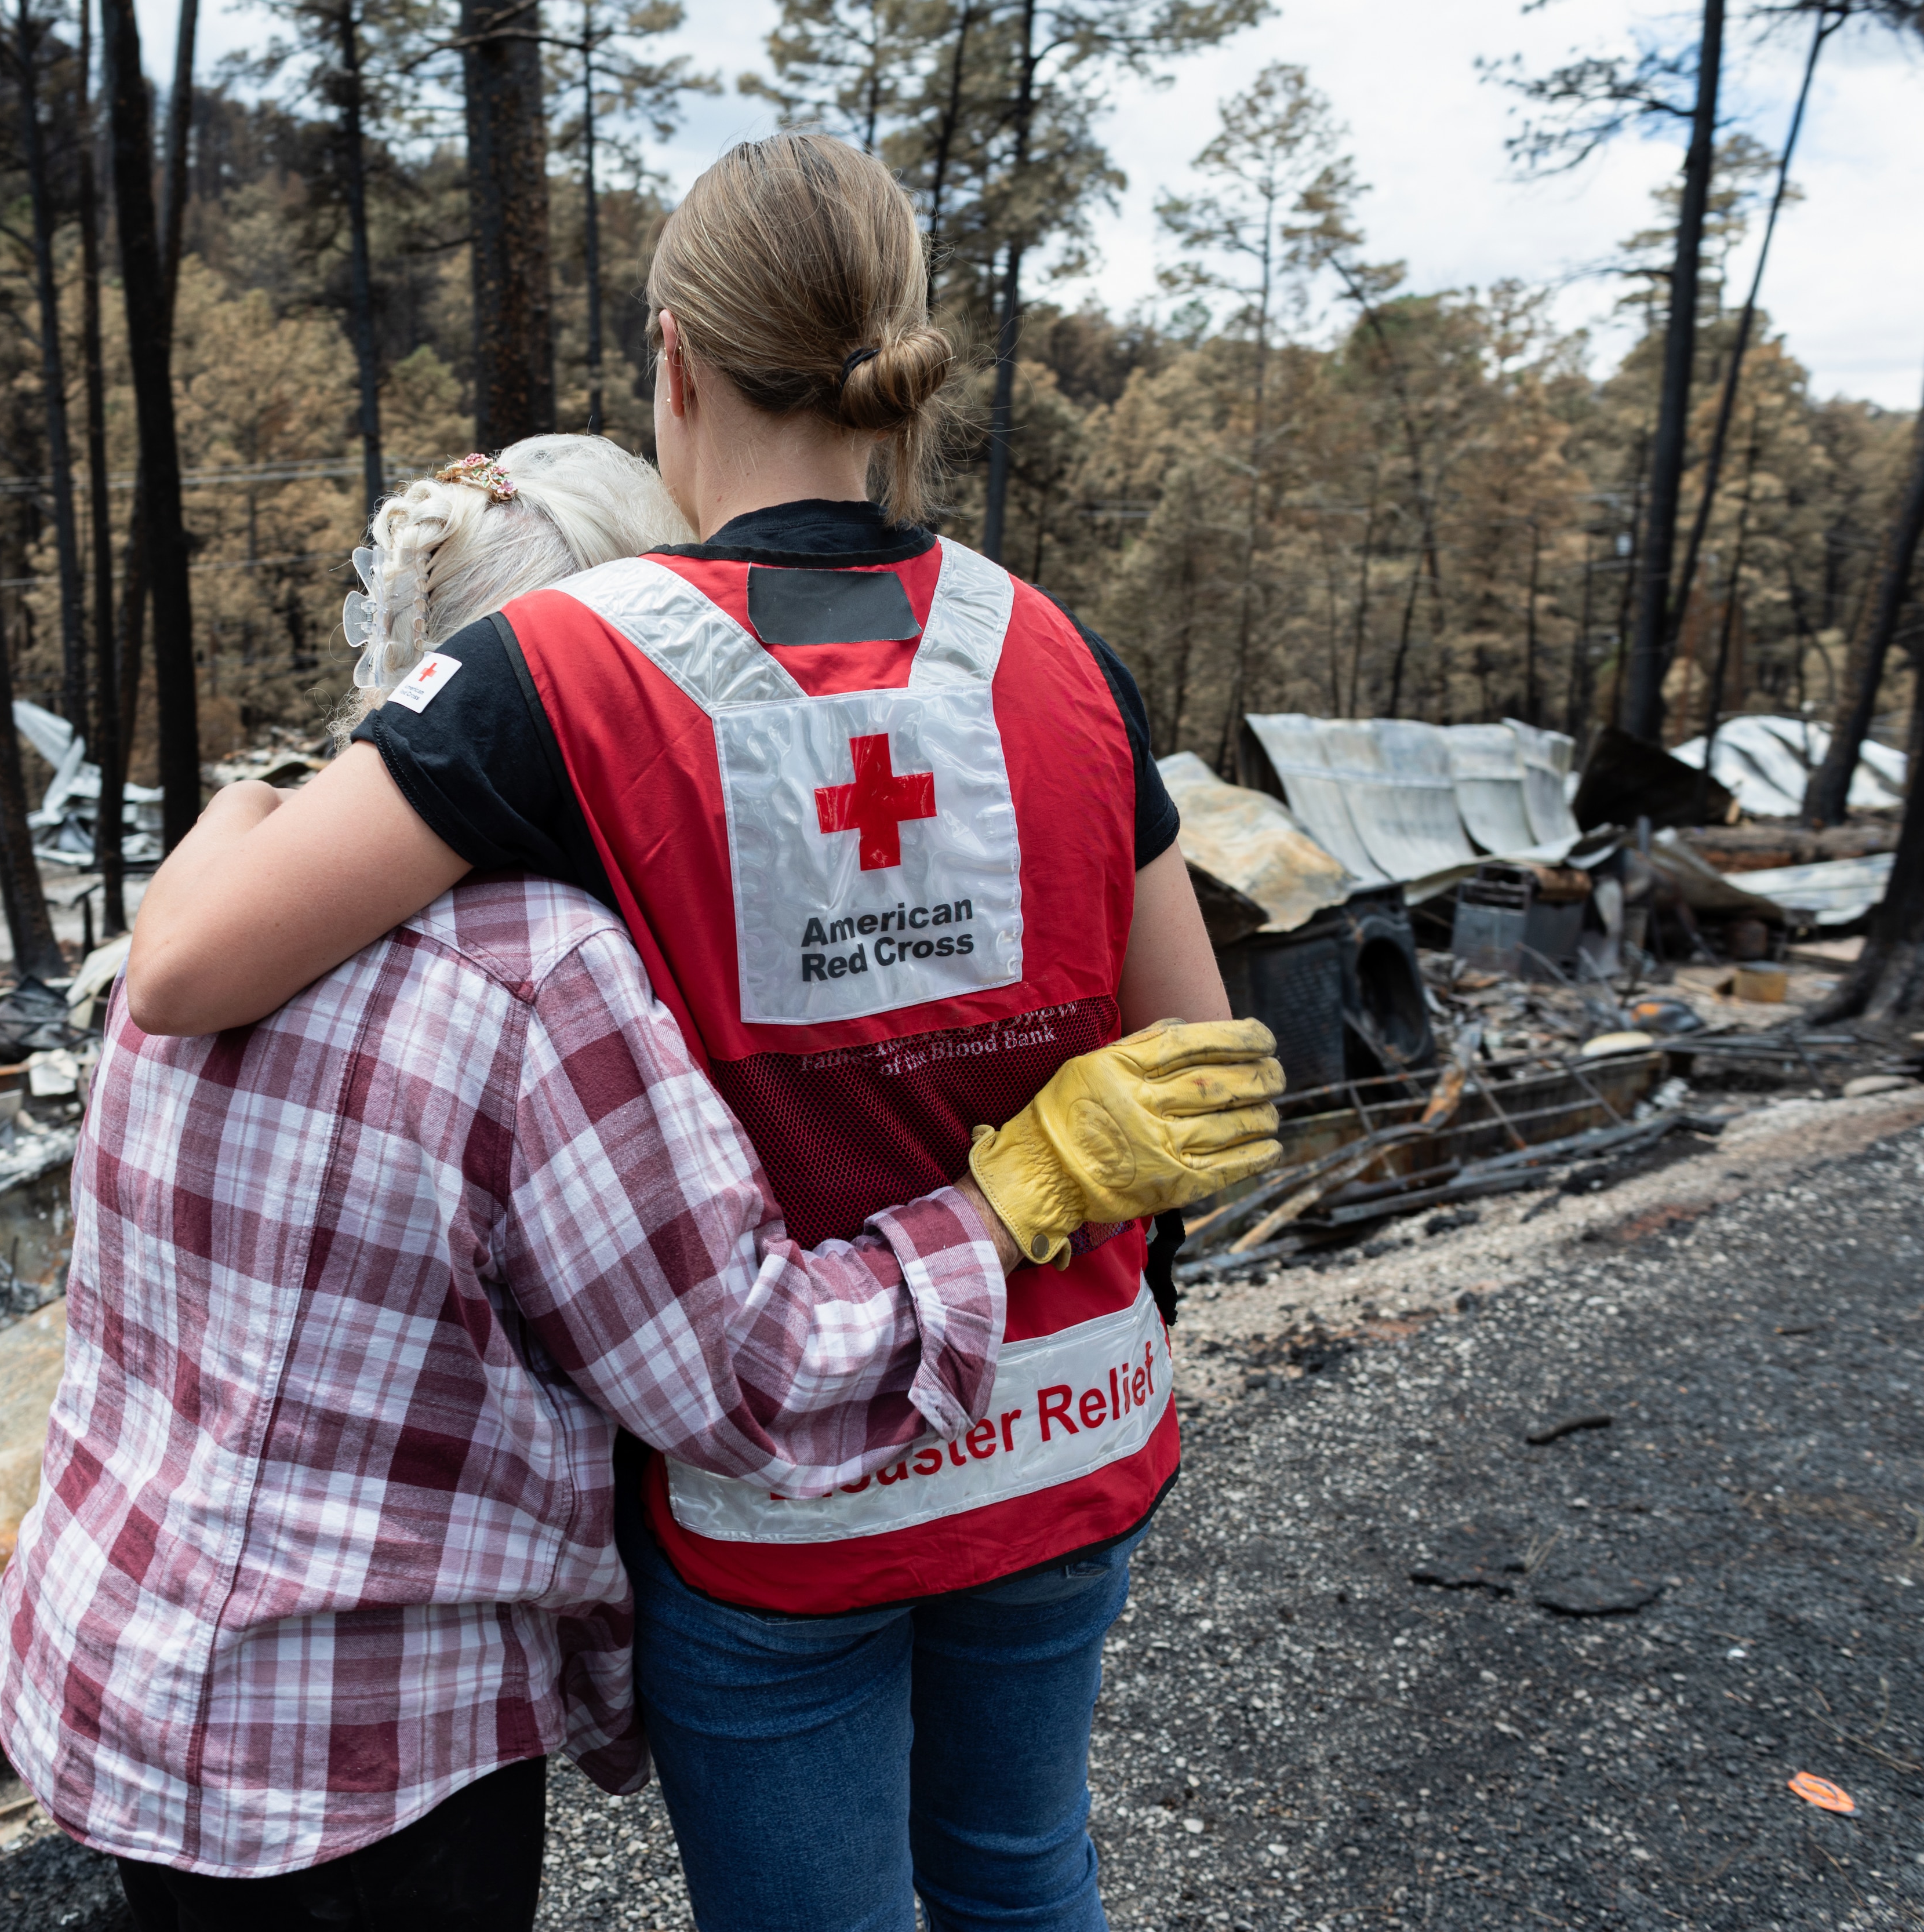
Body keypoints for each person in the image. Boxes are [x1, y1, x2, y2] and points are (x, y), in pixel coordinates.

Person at [120, 133, 1283, 1931]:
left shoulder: (563, 672)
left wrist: (277, 792)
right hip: (1075, 1426)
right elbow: (1195, 1073)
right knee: (1024, 1873)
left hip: (786, 1506)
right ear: (896, 358)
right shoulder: (1061, 652)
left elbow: (188, 972)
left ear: (673, 362)